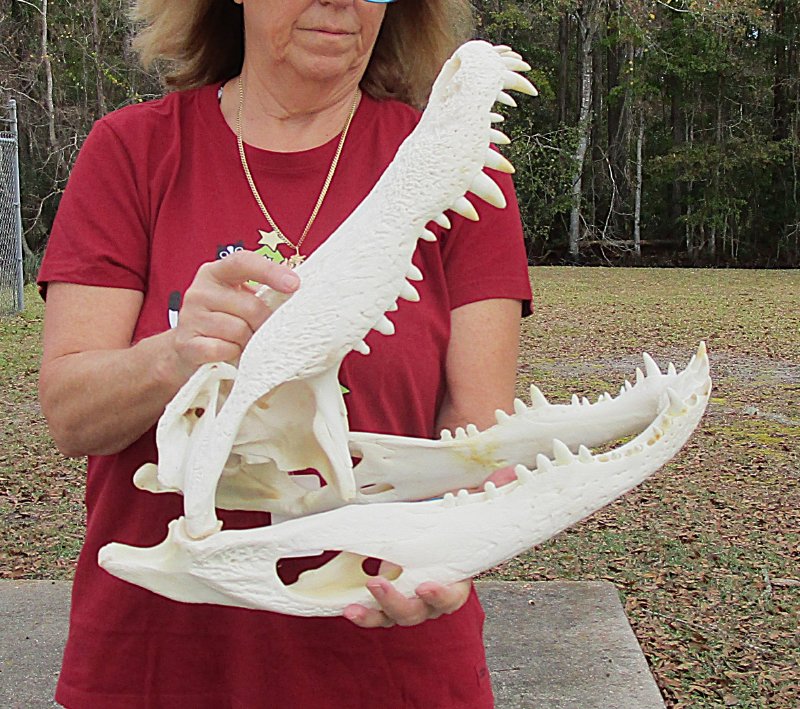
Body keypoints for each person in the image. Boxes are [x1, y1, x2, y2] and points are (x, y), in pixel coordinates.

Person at [38, 1, 533, 706]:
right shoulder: (134, 150)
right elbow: (70, 414)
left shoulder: (455, 163)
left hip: (391, 669)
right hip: (156, 662)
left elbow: (478, 437)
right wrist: (175, 355)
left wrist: (452, 554)